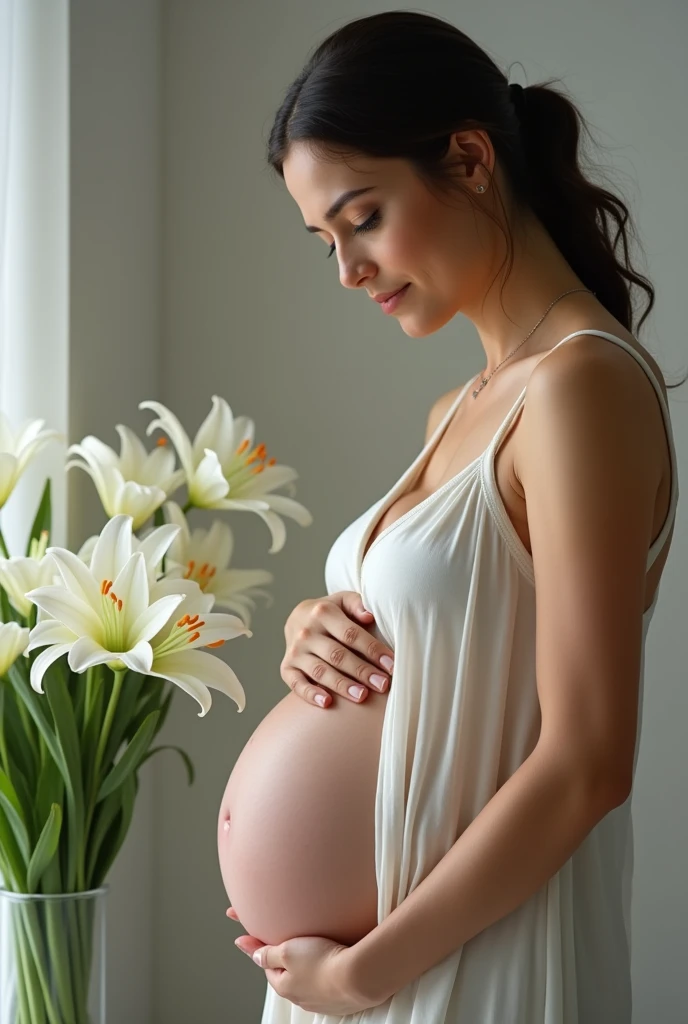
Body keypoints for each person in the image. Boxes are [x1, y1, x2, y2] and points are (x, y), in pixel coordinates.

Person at [244, 10, 683, 1022]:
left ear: (470, 157)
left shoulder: (579, 388)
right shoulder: (462, 407)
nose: (348, 269)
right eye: (325, 242)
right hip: (374, 964)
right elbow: (446, 645)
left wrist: (362, 973)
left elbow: (586, 760)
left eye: (361, 217)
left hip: (458, 963)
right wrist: (318, 630)